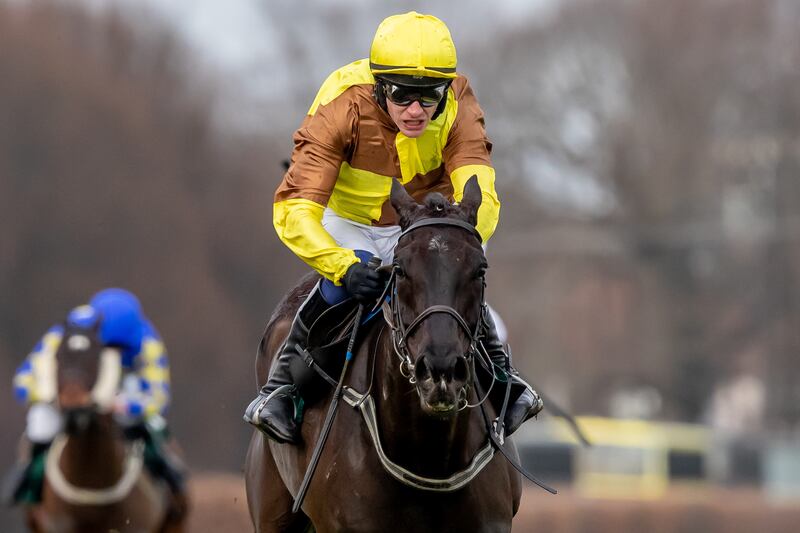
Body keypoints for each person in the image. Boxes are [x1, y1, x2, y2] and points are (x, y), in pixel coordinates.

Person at [244, 11, 542, 444]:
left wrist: (459, 237)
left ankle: (504, 382)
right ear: (380, 86)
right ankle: (282, 389)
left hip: (424, 221)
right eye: (403, 96)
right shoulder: (341, 105)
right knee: (355, 275)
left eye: (429, 96)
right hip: (347, 221)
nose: (417, 110)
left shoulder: (460, 102)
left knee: (455, 276)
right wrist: (341, 266)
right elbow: (294, 210)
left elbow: (483, 195)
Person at [2, 288, 186, 506]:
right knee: (40, 426)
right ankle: (28, 477)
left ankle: (168, 478)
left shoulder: (148, 342)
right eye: (110, 347)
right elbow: (23, 381)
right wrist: (52, 397)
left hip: (121, 397)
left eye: (121, 348)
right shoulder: (67, 332)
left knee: (153, 426)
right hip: (66, 400)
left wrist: (129, 406)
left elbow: (159, 397)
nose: (115, 354)